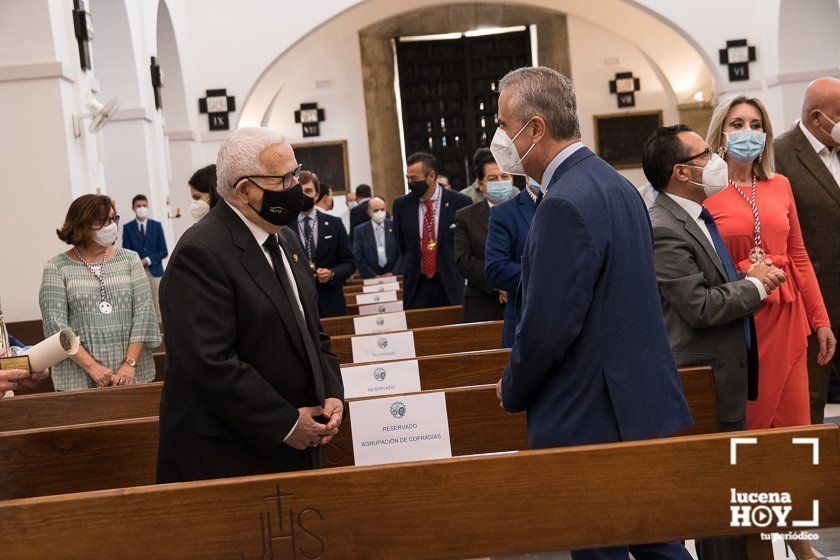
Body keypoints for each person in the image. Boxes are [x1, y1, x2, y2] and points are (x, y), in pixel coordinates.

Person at [493, 66, 693, 560]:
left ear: (534, 128)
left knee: (606, 547)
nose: (500, 140)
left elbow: (547, 327)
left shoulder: (564, 201)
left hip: (592, 414)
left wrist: (512, 388)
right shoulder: (613, 183)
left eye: (503, 126)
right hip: (637, 402)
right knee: (656, 541)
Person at [157, 127, 344, 483]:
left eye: (296, 172)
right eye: (284, 179)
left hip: (295, 443)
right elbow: (209, 362)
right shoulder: (201, 253)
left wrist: (331, 392)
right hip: (232, 454)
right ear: (245, 191)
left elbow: (311, 331)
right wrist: (286, 423)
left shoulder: (284, 237)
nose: (294, 187)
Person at [642, 124, 792, 560]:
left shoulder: (698, 215)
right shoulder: (662, 226)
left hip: (725, 376)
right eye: (705, 155)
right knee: (719, 510)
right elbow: (699, 307)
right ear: (680, 173)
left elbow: (711, 285)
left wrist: (746, 278)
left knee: (731, 505)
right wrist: (758, 288)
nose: (717, 161)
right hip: (702, 382)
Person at [705, 92, 835, 560]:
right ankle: (755, 540)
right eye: (737, 124)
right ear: (721, 133)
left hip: (790, 318)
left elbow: (798, 255)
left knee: (795, 438)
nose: (748, 133)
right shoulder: (707, 191)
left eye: (755, 123)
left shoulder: (780, 184)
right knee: (753, 440)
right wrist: (743, 274)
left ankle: (799, 539)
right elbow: (704, 263)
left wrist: (820, 320)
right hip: (744, 327)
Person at [39, 194, 161, 391]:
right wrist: (93, 367)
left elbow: (144, 313)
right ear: (82, 224)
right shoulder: (56, 267)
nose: (111, 225)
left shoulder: (130, 260)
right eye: (102, 220)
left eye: (113, 218)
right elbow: (56, 325)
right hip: (79, 375)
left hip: (131, 372)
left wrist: (129, 364)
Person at [774, 77, 840, 423]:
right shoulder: (780, 154)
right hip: (812, 305)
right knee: (809, 403)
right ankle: (815, 474)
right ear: (817, 117)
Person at [392, 152, 471, 309]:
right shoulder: (402, 205)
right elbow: (402, 244)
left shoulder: (459, 202)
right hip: (417, 283)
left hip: (449, 282)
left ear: (431, 176)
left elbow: (466, 244)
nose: (410, 183)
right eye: (408, 178)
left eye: (414, 179)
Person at [454, 148, 511, 323]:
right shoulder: (466, 217)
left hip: (524, 299)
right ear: (480, 184)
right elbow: (463, 260)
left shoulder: (531, 211)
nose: (500, 182)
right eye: (493, 179)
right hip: (482, 302)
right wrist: (499, 283)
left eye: (505, 177)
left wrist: (514, 283)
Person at [289, 171, 355, 318]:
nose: (304, 195)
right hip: (299, 305)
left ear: (317, 195)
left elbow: (349, 262)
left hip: (331, 301)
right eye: (300, 191)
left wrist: (332, 274)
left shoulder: (334, 224)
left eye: (308, 191)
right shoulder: (284, 228)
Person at [485, 176, 538, 347]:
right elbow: (496, 269)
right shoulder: (505, 213)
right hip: (524, 319)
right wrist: (546, 275)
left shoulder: (574, 203)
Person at [122, 194, 168, 320]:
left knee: (158, 304)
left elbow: (163, 251)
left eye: (144, 205)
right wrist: (137, 262)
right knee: (141, 305)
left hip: (155, 271)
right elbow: (126, 251)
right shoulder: (128, 228)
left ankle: (162, 332)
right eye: (138, 206)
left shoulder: (156, 226)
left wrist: (147, 260)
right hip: (137, 272)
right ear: (133, 208)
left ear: (148, 206)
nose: (141, 208)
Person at [352, 196, 402, 279]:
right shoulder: (360, 230)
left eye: (382, 209)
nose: (380, 212)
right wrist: (373, 275)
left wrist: (393, 272)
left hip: (394, 275)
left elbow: (402, 252)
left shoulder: (395, 226)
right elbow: (358, 257)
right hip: (370, 278)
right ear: (369, 212)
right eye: (376, 210)